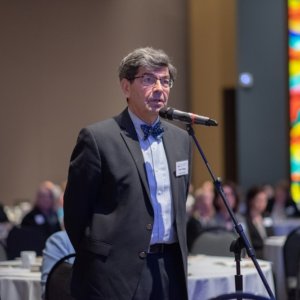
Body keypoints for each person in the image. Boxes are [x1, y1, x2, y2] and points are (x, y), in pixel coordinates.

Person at [64, 47, 192, 300]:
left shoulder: (181, 140)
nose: (159, 88)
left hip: (170, 269)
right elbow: (75, 214)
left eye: (165, 81)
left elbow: (179, 203)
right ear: (125, 87)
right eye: (148, 79)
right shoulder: (98, 139)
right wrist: (103, 258)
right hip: (115, 273)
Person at [245, 185, 273, 259]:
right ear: (251, 200)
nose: (263, 203)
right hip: (255, 255)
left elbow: (272, 236)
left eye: (265, 200)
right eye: (259, 200)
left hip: (270, 253)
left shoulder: (267, 217)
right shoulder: (245, 219)